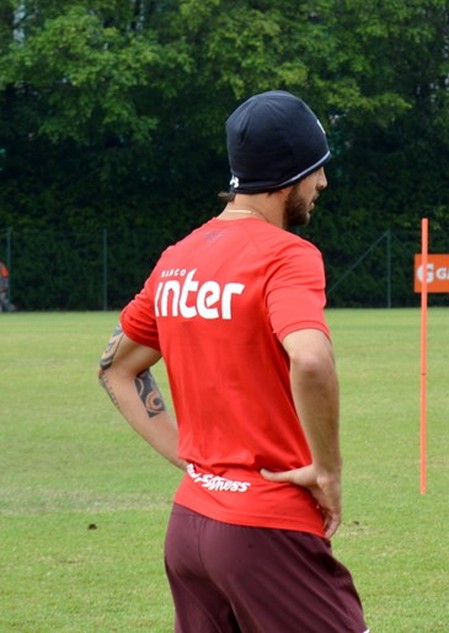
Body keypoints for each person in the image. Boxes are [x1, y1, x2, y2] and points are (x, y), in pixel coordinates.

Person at [97, 90, 367, 633]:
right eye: (318, 169)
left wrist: (193, 462)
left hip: (189, 526)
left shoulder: (179, 259)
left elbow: (115, 368)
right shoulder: (287, 255)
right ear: (290, 174)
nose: (323, 184)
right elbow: (311, 360)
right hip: (267, 531)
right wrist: (328, 471)